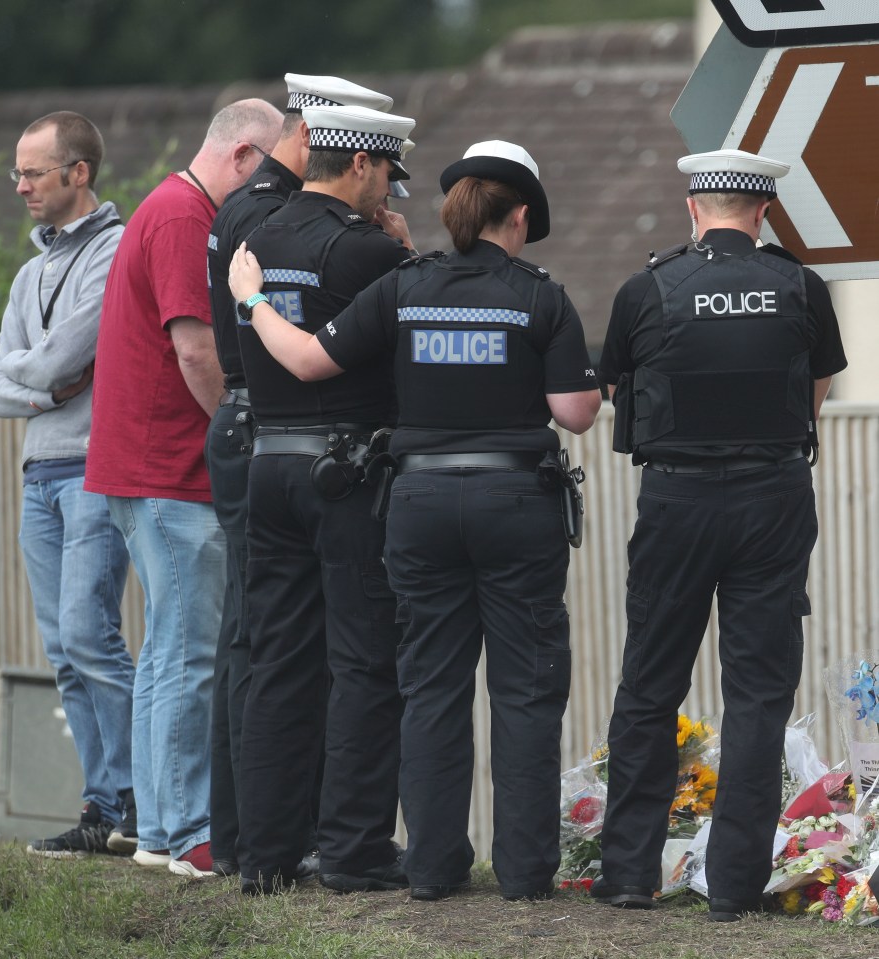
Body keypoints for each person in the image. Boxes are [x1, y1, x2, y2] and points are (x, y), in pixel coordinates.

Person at [229, 139, 602, 901]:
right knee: (526, 690)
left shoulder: (406, 287)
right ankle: (527, 873)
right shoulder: (539, 296)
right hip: (515, 504)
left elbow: (305, 361)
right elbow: (575, 412)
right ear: (521, 216)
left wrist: (254, 301)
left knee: (430, 684)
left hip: (418, 507)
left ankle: (433, 868)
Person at [590, 149, 847, 921]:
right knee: (759, 689)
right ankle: (734, 885)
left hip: (676, 499)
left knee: (650, 681)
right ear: (763, 211)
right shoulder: (801, 285)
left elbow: (613, 387)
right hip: (774, 498)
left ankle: (630, 872)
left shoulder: (648, 287)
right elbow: (816, 394)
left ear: (694, 207)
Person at [84, 98, 283, 879]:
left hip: (149, 466)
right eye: (264, 175)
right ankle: (190, 824)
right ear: (240, 158)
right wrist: (241, 432)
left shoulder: (169, 207)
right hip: (169, 467)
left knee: (170, 648)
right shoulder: (182, 218)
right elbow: (196, 350)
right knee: (190, 652)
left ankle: (162, 827)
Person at [204, 74, 395, 878]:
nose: (387, 185)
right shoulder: (368, 248)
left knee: (275, 659)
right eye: (385, 169)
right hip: (344, 468)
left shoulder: (251, 229)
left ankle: (264, 854)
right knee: (359, 659)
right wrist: (404, 250)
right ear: (358, 163)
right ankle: (352, 848)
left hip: (267, 460)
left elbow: (230, 352)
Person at [0, 111, 136, 857]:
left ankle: (145, 796)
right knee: (63, 649)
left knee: (90, 633)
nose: (19, 187)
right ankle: (102, 804)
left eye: (33, 173)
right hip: (37, 469)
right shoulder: (28, 272)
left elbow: (48, 360)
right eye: (17, 173)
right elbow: (4, 374)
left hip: (91, 467)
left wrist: (38, 374)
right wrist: (45, 382)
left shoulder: (115, 252)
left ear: (79, 173)